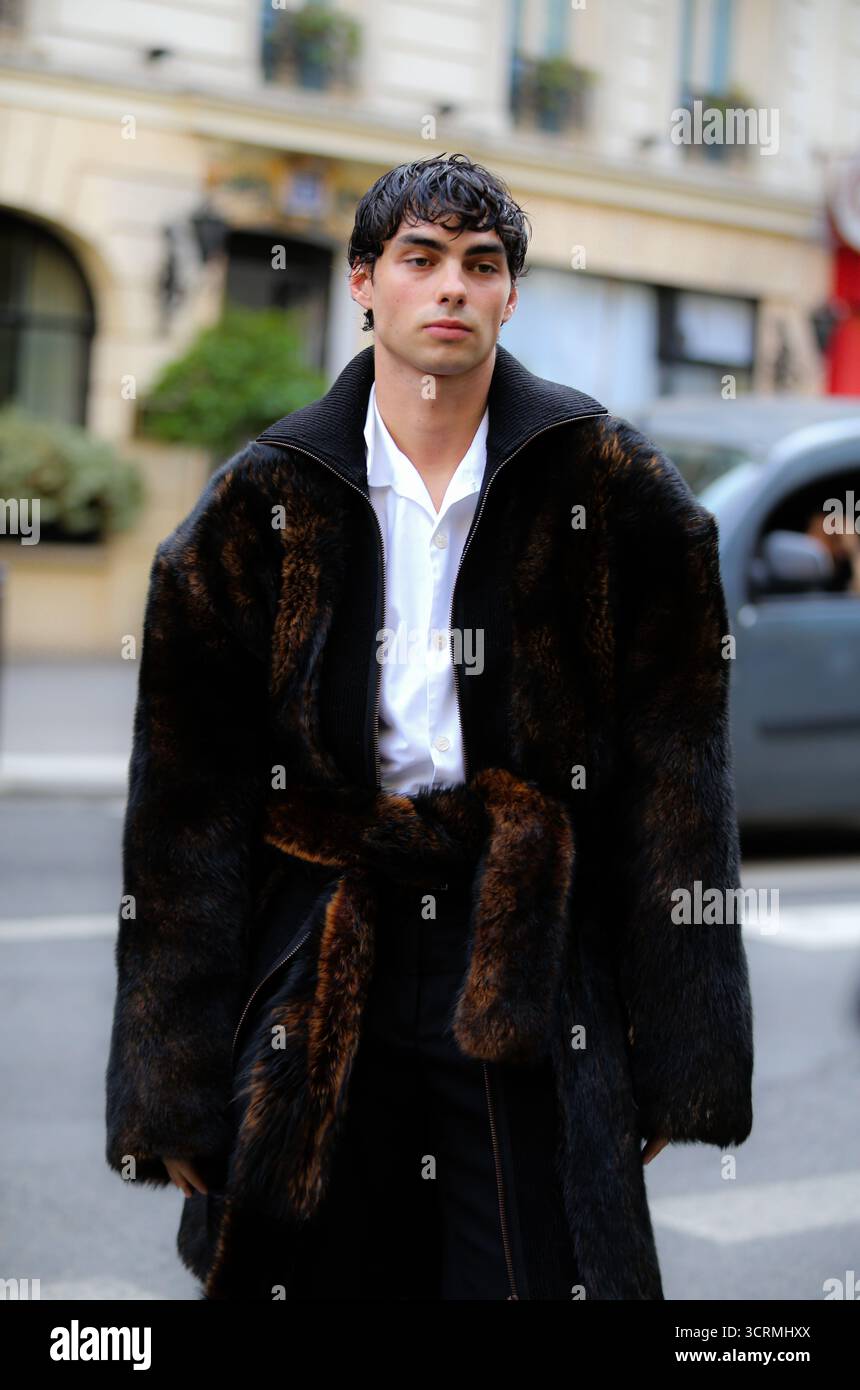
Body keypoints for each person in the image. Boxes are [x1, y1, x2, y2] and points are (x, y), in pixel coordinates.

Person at [104, 153, 754, 1301]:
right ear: (363, 282)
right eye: (420, 258)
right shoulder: (260, 502)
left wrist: (678, 1050)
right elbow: (184, 811)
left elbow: (677, 784)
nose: (451, 285)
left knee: (532, 1268)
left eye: (480, 263)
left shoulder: (611, 489)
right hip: (323, 937)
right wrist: (169, 1085)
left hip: (522, 946)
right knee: (320, 1276)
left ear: (510, 294)